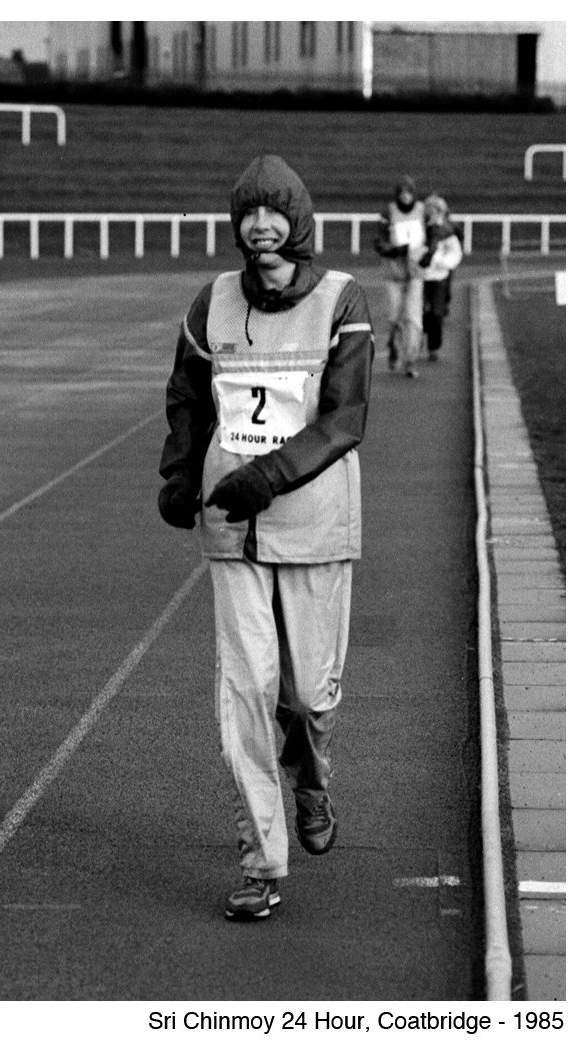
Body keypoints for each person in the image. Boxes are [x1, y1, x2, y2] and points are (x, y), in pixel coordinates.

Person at [157, 155, 374, 921]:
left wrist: (270, 476)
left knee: (307, 695)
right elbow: (189, 394)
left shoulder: (343, 300)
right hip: (230, 531)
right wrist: (179, 473)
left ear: (299, 220)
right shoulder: (210, 302)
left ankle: (311, 781)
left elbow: (344, 419)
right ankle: (262, 862)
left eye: (273, 213)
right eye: (248, 213)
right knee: (245, 696)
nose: (259, 226)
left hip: (314, 527)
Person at [373, 176, 426, 378]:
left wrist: (429, 254)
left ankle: (410, 360)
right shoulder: (388, 213)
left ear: (414, 194)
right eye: (402, 193)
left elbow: (436, 233)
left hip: (415, 273)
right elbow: (378, 242)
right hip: (393, 273)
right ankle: (394, 345)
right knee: (394, 316)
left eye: (409, 192)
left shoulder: (422, 211)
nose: (405, 196)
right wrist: (394, 250)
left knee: (413, 318)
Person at [419, 194, 464, 361]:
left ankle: (433, 346)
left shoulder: (448, 229)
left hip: (439, 276)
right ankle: (416, 341)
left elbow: (455, 251)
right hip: (420, 276)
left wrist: (443, 263)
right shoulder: (420, 228)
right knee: (420, 312)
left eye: (435, 209)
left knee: (437, 312)